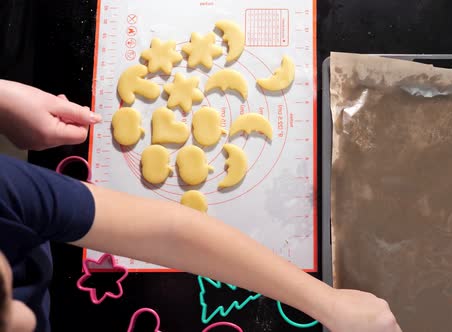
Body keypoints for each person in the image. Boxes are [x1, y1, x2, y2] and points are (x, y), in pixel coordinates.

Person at [0, 79, 402, 332]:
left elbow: (170, 231)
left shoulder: (5, 190)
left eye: (5, 301)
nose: (26, 319)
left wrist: (2, 98)